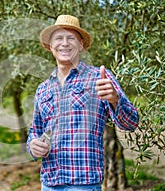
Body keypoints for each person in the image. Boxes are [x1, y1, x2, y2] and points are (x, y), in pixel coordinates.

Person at [26, 15, 139, 191]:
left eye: (71, 38)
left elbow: (131, 123)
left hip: (84, 184)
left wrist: (115, 99)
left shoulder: (99, 78)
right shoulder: (43, 89)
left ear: (81, 45)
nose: (64, 43)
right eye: (58, 38)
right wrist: (33, 146)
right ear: (50, 46)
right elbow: (35, 131)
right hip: (49, 182)